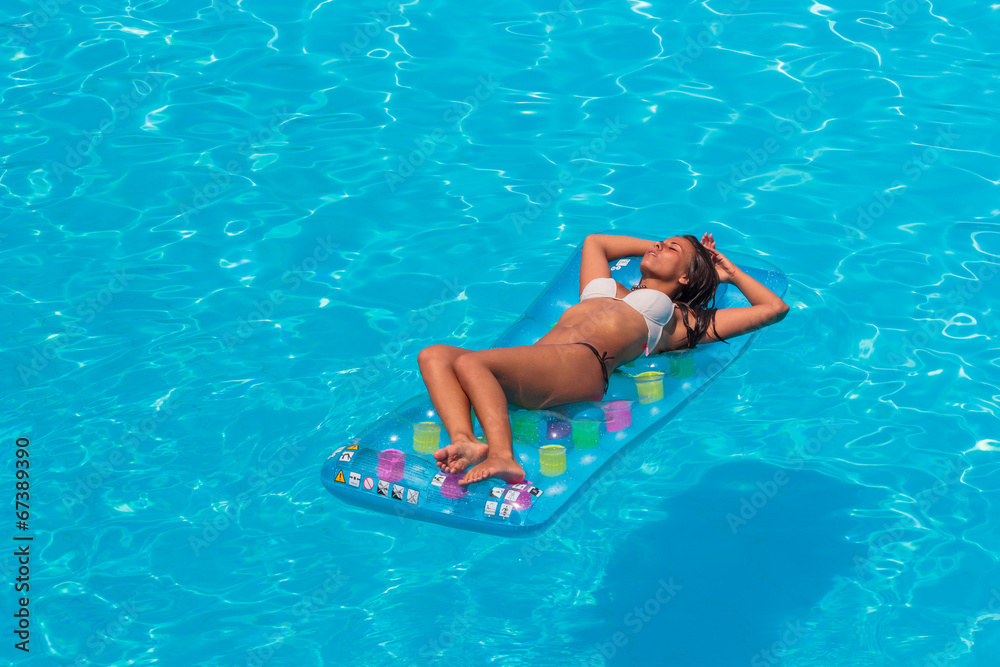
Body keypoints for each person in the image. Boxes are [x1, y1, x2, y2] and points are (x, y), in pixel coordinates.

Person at [417, 233, 789, 486]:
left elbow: (774, 308)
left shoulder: (678, 321)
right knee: (433, 355)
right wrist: (664, 249)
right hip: (538, 363)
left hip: (583, 365)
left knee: (471, 364)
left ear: (688, 277)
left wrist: (722, 269)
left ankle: (502, 456)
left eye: (671, 249)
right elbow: (595, 242)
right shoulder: (604, 287)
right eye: (661, 242)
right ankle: (466, 440)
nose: (658, 246)